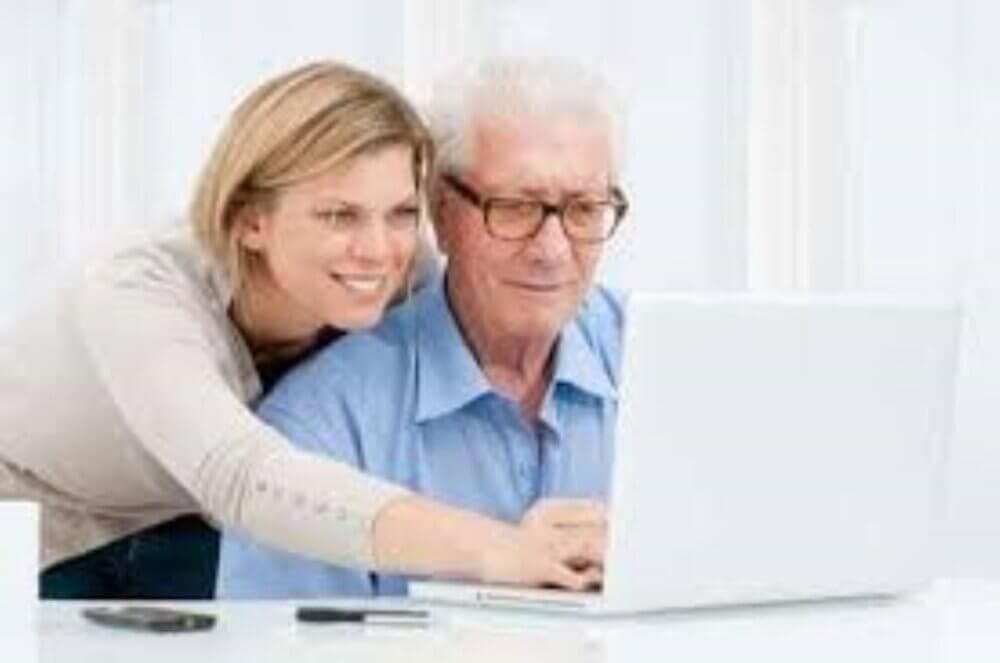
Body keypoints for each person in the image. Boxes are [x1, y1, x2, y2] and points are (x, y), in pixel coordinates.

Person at [0, 61, 604, 600]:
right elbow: (241, 475)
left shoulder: (402, 270)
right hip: (42, 536)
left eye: (399, 214)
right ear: (250, 220)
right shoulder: (137, 293)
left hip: (196, 530)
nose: (378, 251)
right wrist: (501, 548)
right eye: (339, 215)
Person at [217, 57, 629, 598]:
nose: (552, 252)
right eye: (514, 208)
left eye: (583, 209)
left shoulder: (661, 358)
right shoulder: (318, 425)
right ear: (441, 212)